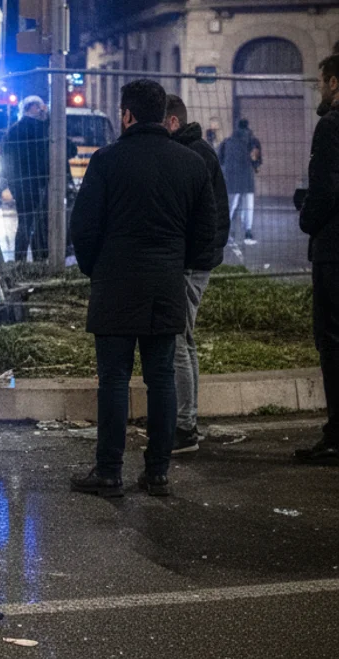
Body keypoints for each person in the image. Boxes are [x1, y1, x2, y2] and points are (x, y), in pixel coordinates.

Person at [69, 79, 216, 499]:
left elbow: (84, 226)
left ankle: (109, 470)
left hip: (115, 282)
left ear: (127, 115)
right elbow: (205, 234)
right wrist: (176, 263)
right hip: (166, 284)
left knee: (114, 380)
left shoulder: (108, 160)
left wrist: (94, 266)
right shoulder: (190, 164)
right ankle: (157, 472)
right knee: (162, 378)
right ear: (162, 115)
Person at [163, 94, 232, 455]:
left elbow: (203, 218)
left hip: (192, 263)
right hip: (196, 260)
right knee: (183, 340)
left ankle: (185, 427)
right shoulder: (196, 151)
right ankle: (185, 422)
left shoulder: (194, 155)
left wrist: (187, 258)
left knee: (178, 340)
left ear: (172, 122)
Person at [295, 54, 339, 465]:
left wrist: (306, 216)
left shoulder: (331, 127)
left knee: (331, 341)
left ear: (335, 84)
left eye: (322, 82)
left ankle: (335, 435)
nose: (320, 89)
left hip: (334, 252)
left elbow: (326, 191)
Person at [3, 96, 51, 262]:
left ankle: (20, 258)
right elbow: (46, 154)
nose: (41, 111)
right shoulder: (40, 129)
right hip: (37, 182)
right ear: (31, 108)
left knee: (24, 220)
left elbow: (4, 156)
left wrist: (10, 180)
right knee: (38, 221)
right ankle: (39, 258)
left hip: (19, 182)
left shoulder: (13, 130)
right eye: (39, 107)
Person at [219, 119, 262, 245]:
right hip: (247, 178)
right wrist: (255, 165)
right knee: (248, 207)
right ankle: (247, 233)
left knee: (230, 207)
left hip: (231, 179)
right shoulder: (253, 141)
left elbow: (220, 160)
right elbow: (256, 160)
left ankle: (227, 234)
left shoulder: (227, 141)